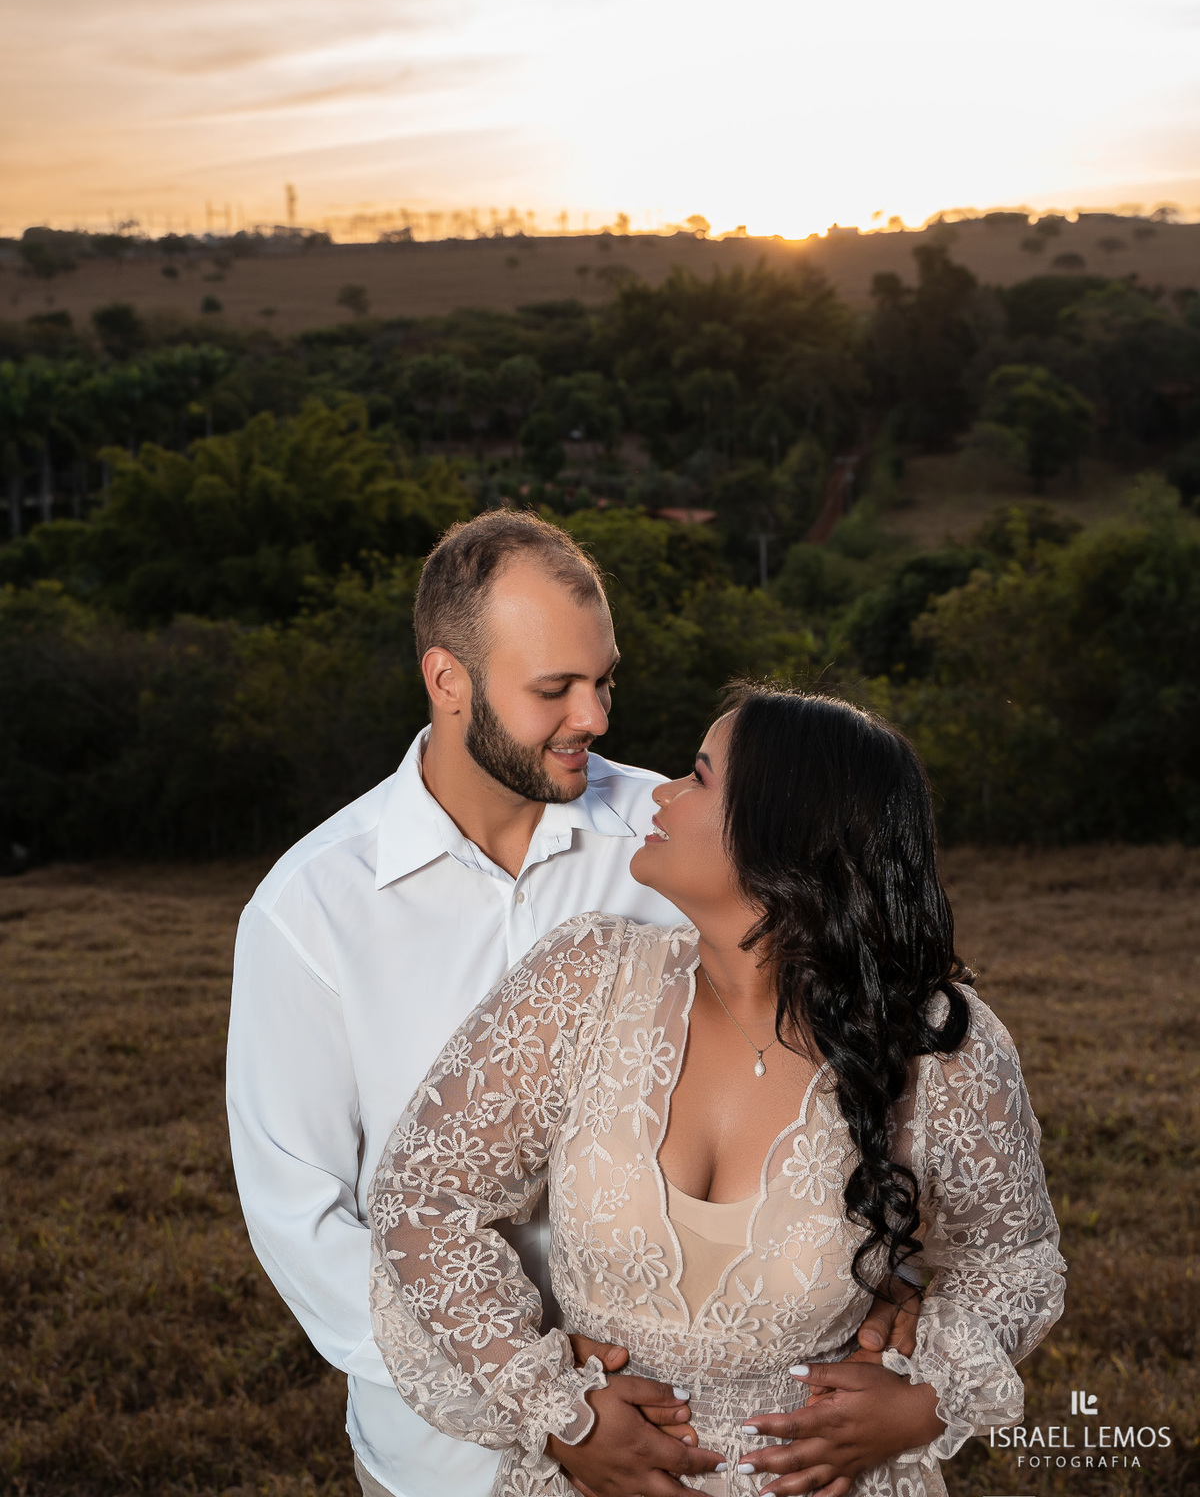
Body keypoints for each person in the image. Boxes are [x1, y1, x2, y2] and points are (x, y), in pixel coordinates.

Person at [227, 516, 913, 1497]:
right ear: (447, 680)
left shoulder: (686, 839)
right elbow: (304, 1221)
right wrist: (543, 1402)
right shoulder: (311, 912)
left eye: (605, 680)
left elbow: (856, 1060)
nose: (594, 715)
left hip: (711, 1446)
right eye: (554, 689)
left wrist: (895, 1278)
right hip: (446, 1463)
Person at [368, 687, 1066, 1497]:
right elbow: (422, 1199)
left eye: (697, 778)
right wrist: (561, 1411)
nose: (660, 793)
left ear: (783, 835)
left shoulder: (937, 1043)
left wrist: (925, 1401)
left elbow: (1013, 1258)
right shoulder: (583, 980)